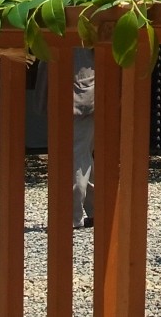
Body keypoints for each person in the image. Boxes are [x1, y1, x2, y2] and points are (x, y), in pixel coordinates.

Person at [72, 46, 95, 229]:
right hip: (83, 94)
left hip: (79, 98)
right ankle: (96, 210)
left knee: (77, 156)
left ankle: (73, 216)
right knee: (84, 153)